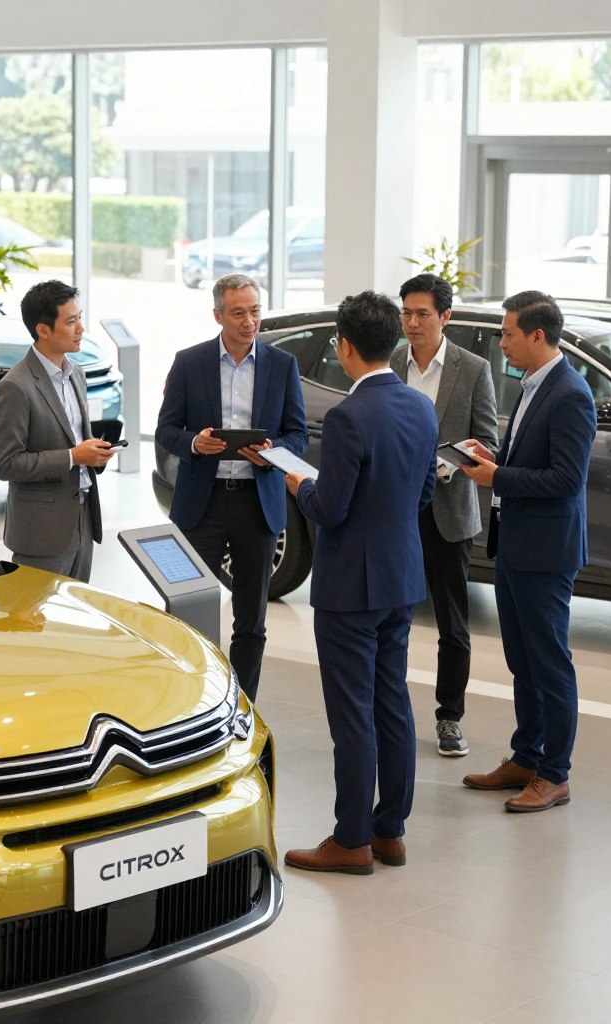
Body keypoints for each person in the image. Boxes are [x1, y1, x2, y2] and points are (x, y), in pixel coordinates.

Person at [282, 290, 438, 874]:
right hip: (400, 575)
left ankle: (350, 839)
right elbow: (424, 493)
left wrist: (301, 486)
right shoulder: (420, 407)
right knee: (392, 703)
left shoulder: (348, 417)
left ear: (345, 347)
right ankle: (389, 830)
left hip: (351, 585)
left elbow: (330, 507)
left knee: (352, 714)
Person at [459, 291, 596, 812]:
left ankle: (554, 774)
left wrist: (500, 477)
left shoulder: (570, 393)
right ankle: (526, 756)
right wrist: (496, 459)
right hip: (516, 544)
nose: (503, 343)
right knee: (523, 661)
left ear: (537, 335)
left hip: (546, 551)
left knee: (549, 663)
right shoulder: (534, 385)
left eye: (509, 333)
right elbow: (534, 460)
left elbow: (566, 478)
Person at [155, 273, 307, 702]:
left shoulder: (282, 365)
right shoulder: (190, 362)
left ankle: (240, 705)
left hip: (256, 505)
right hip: (201, 504)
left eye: (255, 311)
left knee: (251, 621)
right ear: (218, 315)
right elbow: (166, 430)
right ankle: (189, 701)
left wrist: (272, 451)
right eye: (238, 312)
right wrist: (195, 444)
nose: (249, 321)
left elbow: (297, 435)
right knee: (185, 611)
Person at [392, 273, 498, 757]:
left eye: (423, 314)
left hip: (448, 512)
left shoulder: (472, 369)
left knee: (453, 625)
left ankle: (449, 717)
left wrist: (446, 462)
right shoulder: (390, 362)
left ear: (446, 317)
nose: (412, 323)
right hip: (395, 512)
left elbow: (488, 443)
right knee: (389, 615)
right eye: (407, 313)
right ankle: (386, 709)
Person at [0, 279, 115, 583]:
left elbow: (73, 440)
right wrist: (73, 456)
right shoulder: (14, 387)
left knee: (74, 618)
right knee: (37, 624)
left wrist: (93, 454)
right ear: (43, 330)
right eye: (71, 321)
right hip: (41, 532)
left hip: (82, 519)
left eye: (79, 318)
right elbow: (6, 464)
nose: (81, 328)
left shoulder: (76, 374)